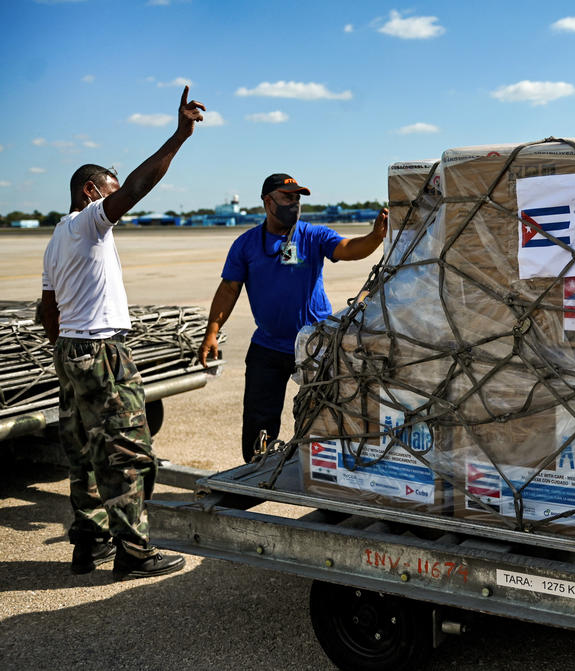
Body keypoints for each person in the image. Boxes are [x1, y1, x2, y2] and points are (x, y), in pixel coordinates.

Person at [39, 87, 205, 580]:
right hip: (101, 348)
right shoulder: (89, 223)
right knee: (128, 452)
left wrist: (67, 353)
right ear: (91, 192)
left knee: (83, 450)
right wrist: (179, 136)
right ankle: (133, 553)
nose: (116, 200)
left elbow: (47, 309)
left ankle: (89, 544)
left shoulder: (56, 237)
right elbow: (135, 187)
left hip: (70, 348)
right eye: (107, 191)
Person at [198, 174, 387, 462]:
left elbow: (348, 249)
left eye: (297, 198)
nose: (294, 204)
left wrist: (375, 237)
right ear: (268, 201)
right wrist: (212, 331)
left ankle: (324, 471)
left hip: (316, 344)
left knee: (324, 413)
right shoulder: (246, 244)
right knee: (259, 419)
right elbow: (228, 289)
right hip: (268, 345)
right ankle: (257, 468)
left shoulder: (312, 235)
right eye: (288, 198)